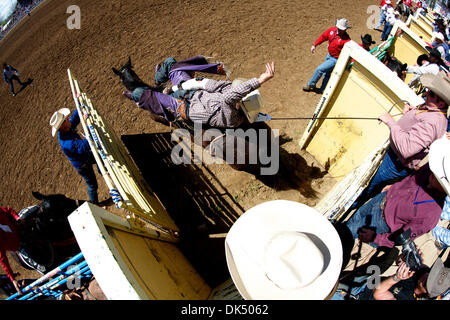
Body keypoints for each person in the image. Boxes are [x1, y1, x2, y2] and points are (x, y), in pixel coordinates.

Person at [351, 72, 449, 209]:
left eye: (432, 94)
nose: (427, 94)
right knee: (368, 186)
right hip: (394, 159)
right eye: (429, 91)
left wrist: (390, 122)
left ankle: (343, 211)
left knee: (364, 188)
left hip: (395, 162)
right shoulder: (432, 111)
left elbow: (407, 148)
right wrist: (410, 113)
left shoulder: (433, 122)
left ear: (441, 102)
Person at [122, 59, 275, 128]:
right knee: (166, 70)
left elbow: (227, 91)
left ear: (239, 103)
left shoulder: (226, 102)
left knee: (140, 93)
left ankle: (155, 85)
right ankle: (159, 86)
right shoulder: (234, 114)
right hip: (191, 99)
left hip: (184, 103)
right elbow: (225, 89)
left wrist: (260, 80)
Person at [345, 162, 445, 248]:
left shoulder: (431, 216)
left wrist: (375, 238)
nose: (435, 173)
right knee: (353, 220)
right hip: (382, 198)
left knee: (346, 233)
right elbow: (411, 178)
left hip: (380, 221)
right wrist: (396, 186)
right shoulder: (431, 168)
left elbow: (401, 238)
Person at [49, 107, 99, 204]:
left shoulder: (66, 128)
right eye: (65, 120)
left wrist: (79, 107)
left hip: (85, 157)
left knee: (99, 158)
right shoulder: (67, 143)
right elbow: (83, 147)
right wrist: (88, 126)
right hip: (82, 164)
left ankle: (101, 169)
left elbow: (75, 118)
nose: (68, 119)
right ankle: (95, 204)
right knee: (92, 185)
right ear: (62, 126)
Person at [302, 18, 351, 94]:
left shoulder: (347, 40)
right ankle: (323, 89)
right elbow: (323, 37)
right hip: (329, 55)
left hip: (335, 60)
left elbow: (350, 51)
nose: (341, 30)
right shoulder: (332, 31)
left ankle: (310, 84)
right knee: (327, 73)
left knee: (320, 69)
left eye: (342, 29)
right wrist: (315, 45)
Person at [0, 207, 24, 295]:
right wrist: (13, 279)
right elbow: (3, 260)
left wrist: (17, 217)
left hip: (20, 230)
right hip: (19, 248)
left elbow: (8, 210)